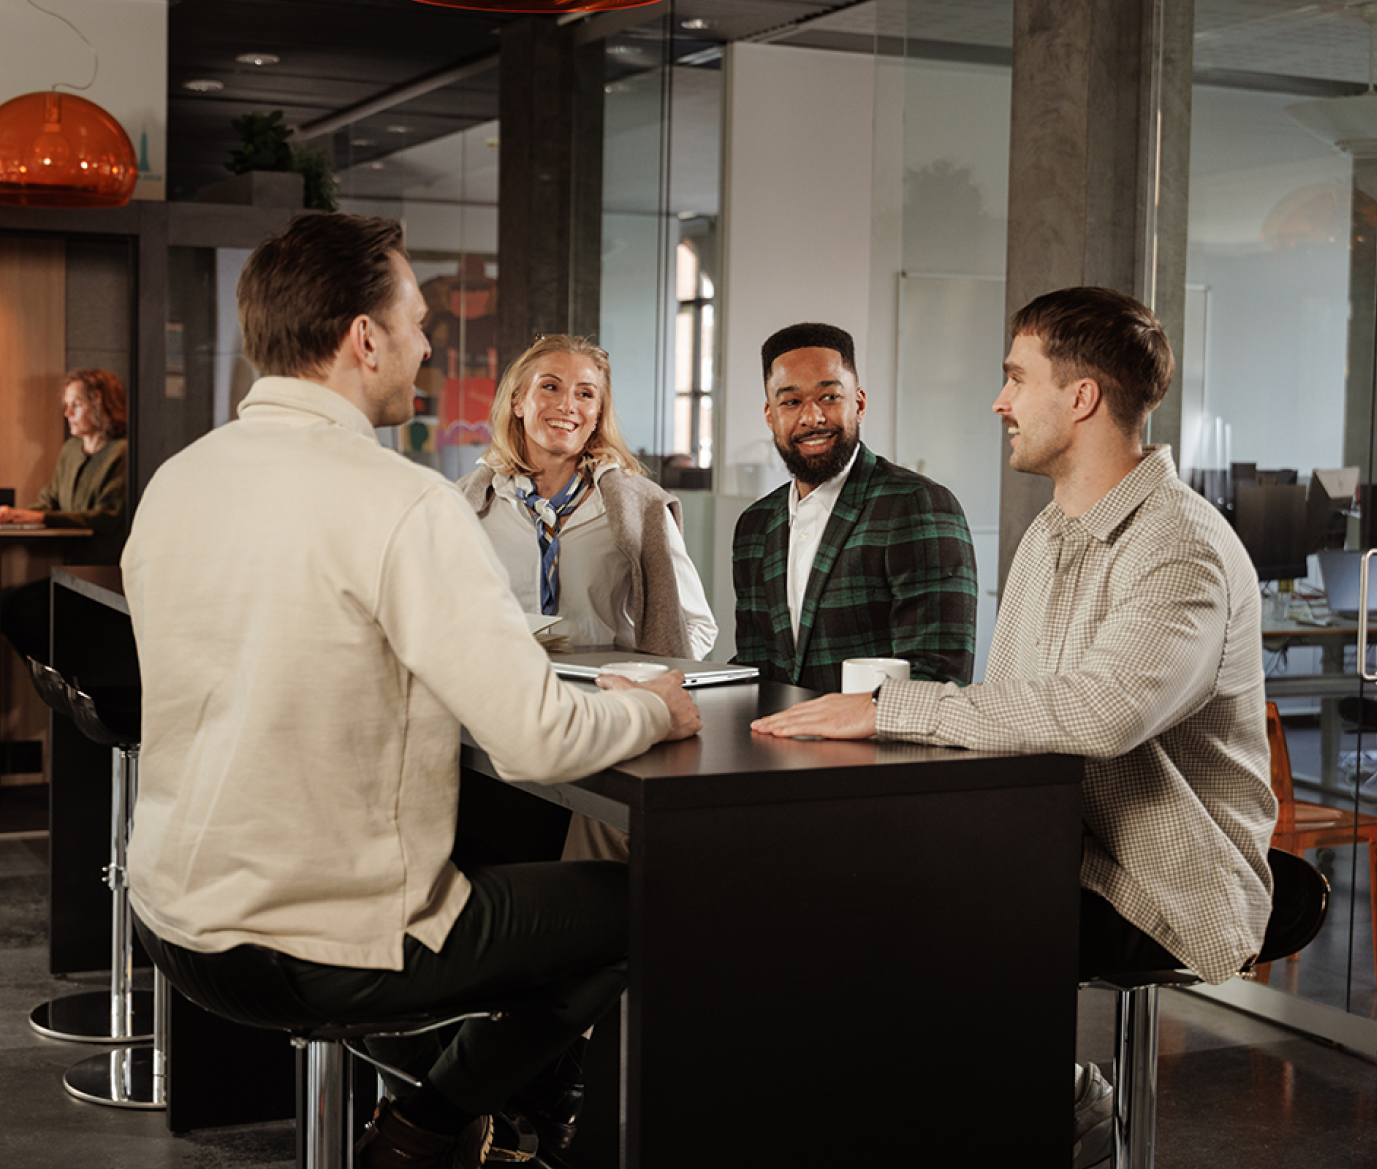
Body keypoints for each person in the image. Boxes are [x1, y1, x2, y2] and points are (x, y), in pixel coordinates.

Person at [121, 213, 701, 1169]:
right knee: (662, 896)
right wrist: (656, 706)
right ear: (363, 338)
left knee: (508, 851)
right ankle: (432, 1123)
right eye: (420, 322)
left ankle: (475, 1111)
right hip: (317, 942)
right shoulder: (403, 500)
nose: (429, 345)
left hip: (176, 918)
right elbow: (539, 741)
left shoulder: (179, 481)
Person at [751, 287, 1277, 1169]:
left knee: (872, 929)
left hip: (1164, 872)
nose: (998, 400)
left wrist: (889, 709)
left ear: (1081, 397)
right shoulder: (1050, 532)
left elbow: (1102, 714)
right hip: (1050, 840)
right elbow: (1019, 708)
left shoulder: (1180, 545)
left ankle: (1059, 1101)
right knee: (813, 892)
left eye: (1014, 377)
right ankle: (1040, 1094)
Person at [733, 322, 977, 691]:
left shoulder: (915, 505)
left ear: (858, 404)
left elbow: (938, 677)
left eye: (829, 397)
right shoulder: (754, 525)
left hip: (880, 746)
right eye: (791, 402)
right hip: (776, 743)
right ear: (771, 416)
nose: (812, 418)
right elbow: (755, 670)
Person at [457, 333, 718, 662]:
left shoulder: (640, 508)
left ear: (597, 415)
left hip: (605, 703)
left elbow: (697, 624)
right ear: (518, 402)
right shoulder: (468, 502)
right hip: (502, 700)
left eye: (585, 394)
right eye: (550, 387)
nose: (567, 405)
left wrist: (641, 682)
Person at [0, 368, 129, 662]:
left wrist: (40, 519)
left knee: (16, 609)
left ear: (101, 405)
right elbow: (50, 501)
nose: (67, 413)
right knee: (9, 610)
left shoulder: (123, 454)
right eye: (66, 405)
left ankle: (66, 686)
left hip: (104, 576)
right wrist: (15, 514)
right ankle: (64, 684)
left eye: (76, 405)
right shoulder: (70, 450)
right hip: (72, 573)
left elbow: (106, 516)